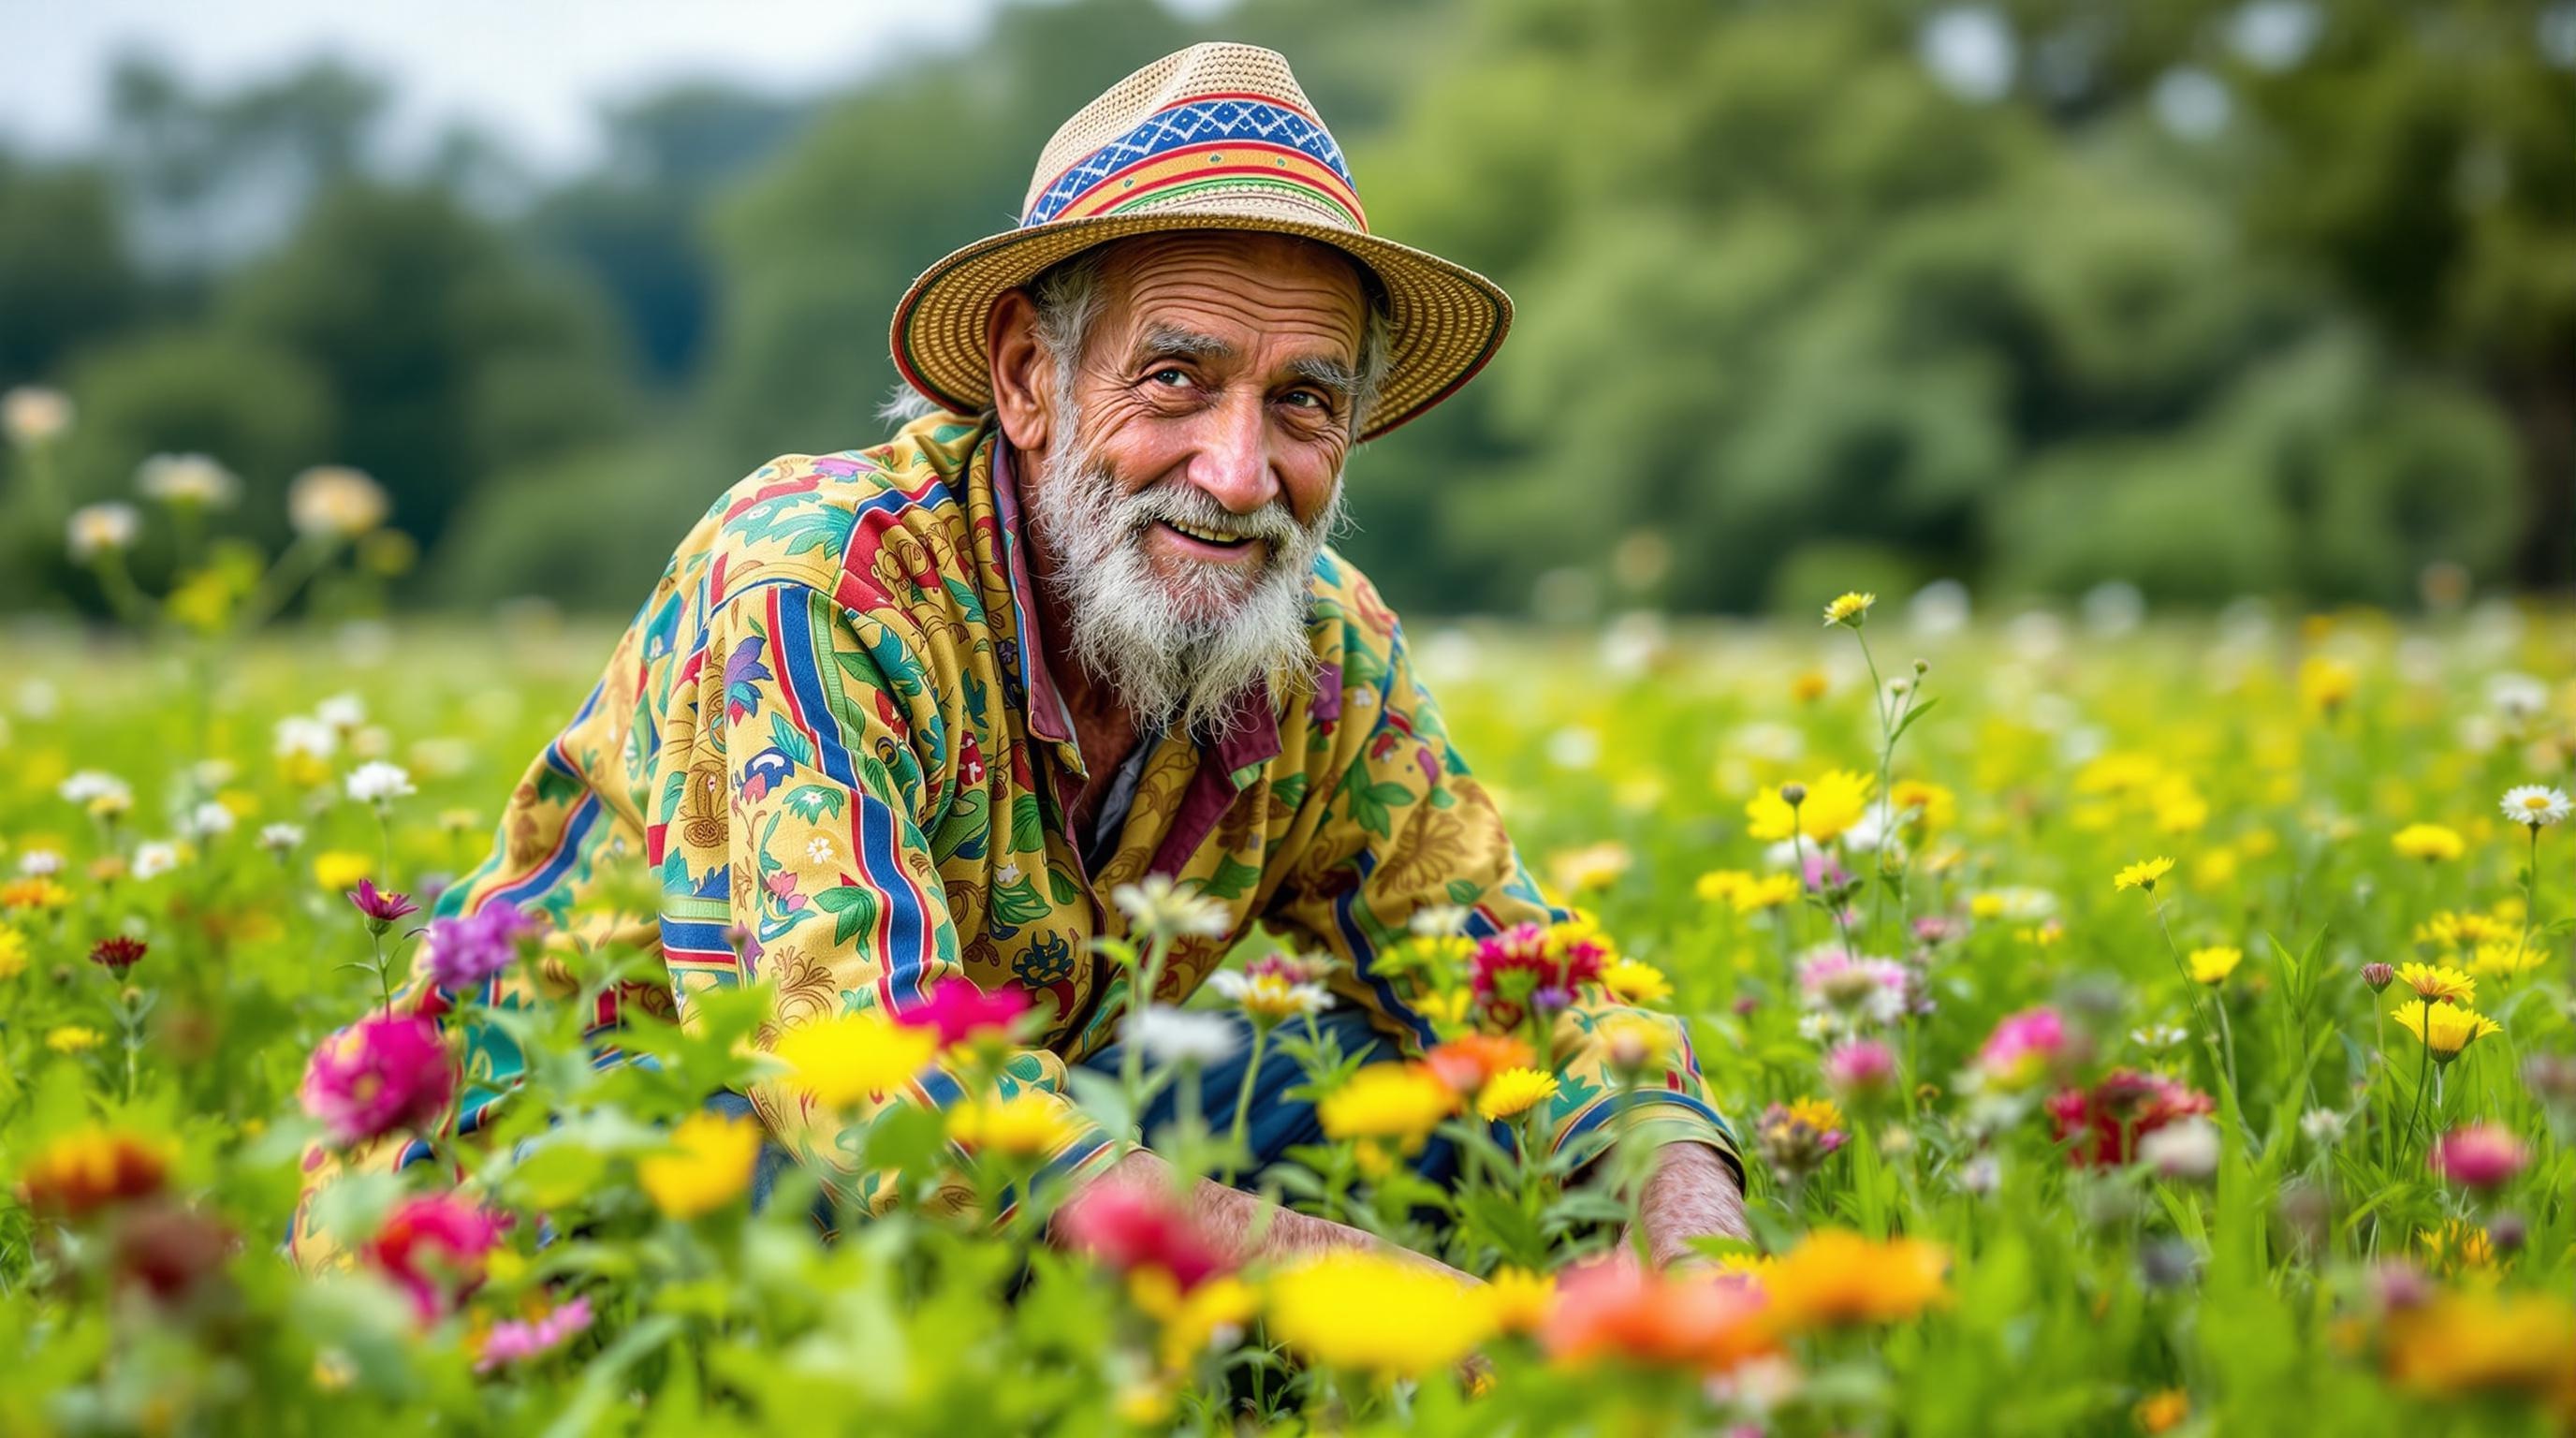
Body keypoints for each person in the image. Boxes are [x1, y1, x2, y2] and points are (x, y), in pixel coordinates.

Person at [293, 42, 1747, 1278]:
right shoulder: (826, 577)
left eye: (1305, 403)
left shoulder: (1324, 646)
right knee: (800, 1186)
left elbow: (1531, 986)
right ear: (1029, 380)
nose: (1240, 474)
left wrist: (1701, 1252)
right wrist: (1391, 1296)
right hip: (595, 1151)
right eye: (1177, 378)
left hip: (1014, 1139)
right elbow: (880, 1102)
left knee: (1386, 1082)